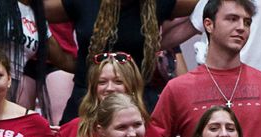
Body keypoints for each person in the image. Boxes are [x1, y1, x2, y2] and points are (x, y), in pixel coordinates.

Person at [152, 0, 261, 137]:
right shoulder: (178, 88)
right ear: (208, 24)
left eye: (247, 22)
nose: (241, 28)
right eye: (232, 19)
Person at [42, 0, 197, 121]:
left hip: (137, 99)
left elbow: (208, 5)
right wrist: (67, 62)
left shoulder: (157, 3)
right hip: (87, 97)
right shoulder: (84, 2)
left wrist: (195, 25)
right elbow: (36, 10)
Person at [52, 53, 181, 137]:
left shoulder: (148, 133)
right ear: (93, 89)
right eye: (102, 82)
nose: (109, 88)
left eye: (118, 82)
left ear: (131, 87)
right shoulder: (71, 130)